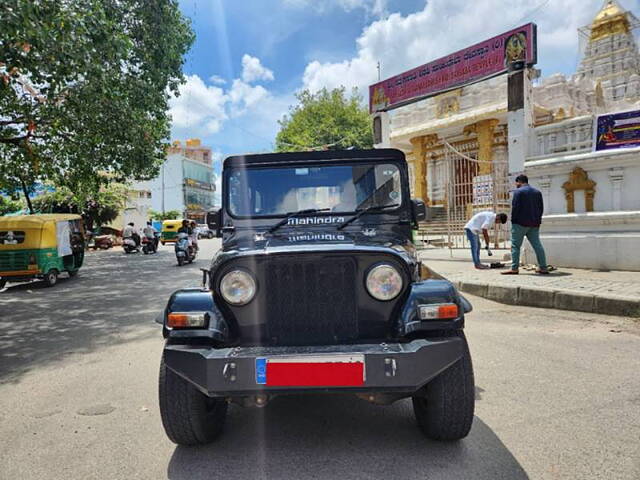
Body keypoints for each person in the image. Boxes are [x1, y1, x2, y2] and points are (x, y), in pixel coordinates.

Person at [502, 174, 548, 275]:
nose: (516, 185)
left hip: (519, 223)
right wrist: (538, 221)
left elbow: (515, 207)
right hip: (534, 224)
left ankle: (514, 268)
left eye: (516, 183)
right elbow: (541, 208)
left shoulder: (518, 192)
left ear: (519, 182)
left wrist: (513, 221)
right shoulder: (537, 192)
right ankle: (543, 267)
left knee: (515, 246)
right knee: (537, 246)